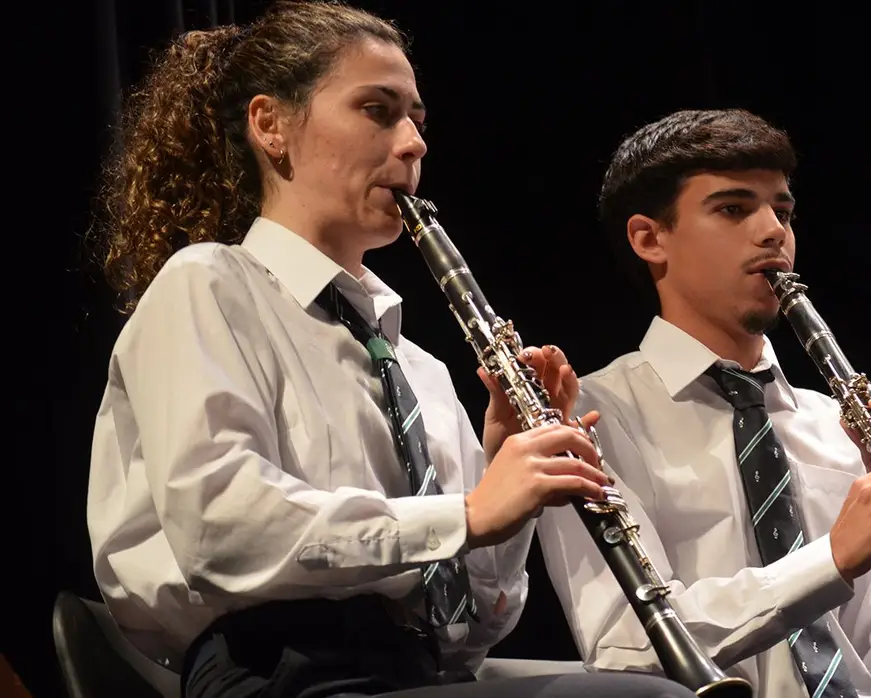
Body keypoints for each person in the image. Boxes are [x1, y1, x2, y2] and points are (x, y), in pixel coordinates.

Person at [85, 3, 700, 697]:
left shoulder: (420, 367)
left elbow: (483, 619)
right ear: (271, 125)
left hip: (414, 670)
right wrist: (466, 514)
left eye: (417, 120)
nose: (413, 144)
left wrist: (503, 482)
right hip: (278, 672)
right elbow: (222, 531)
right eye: (377, 111)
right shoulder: (208, 285)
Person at [534, 108, 871, 698]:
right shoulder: (589, 416)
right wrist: (832, 559)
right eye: (733, 209)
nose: (774, 231)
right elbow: (628, 648)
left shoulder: (836, 424)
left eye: (783, 211)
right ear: (649, 238)